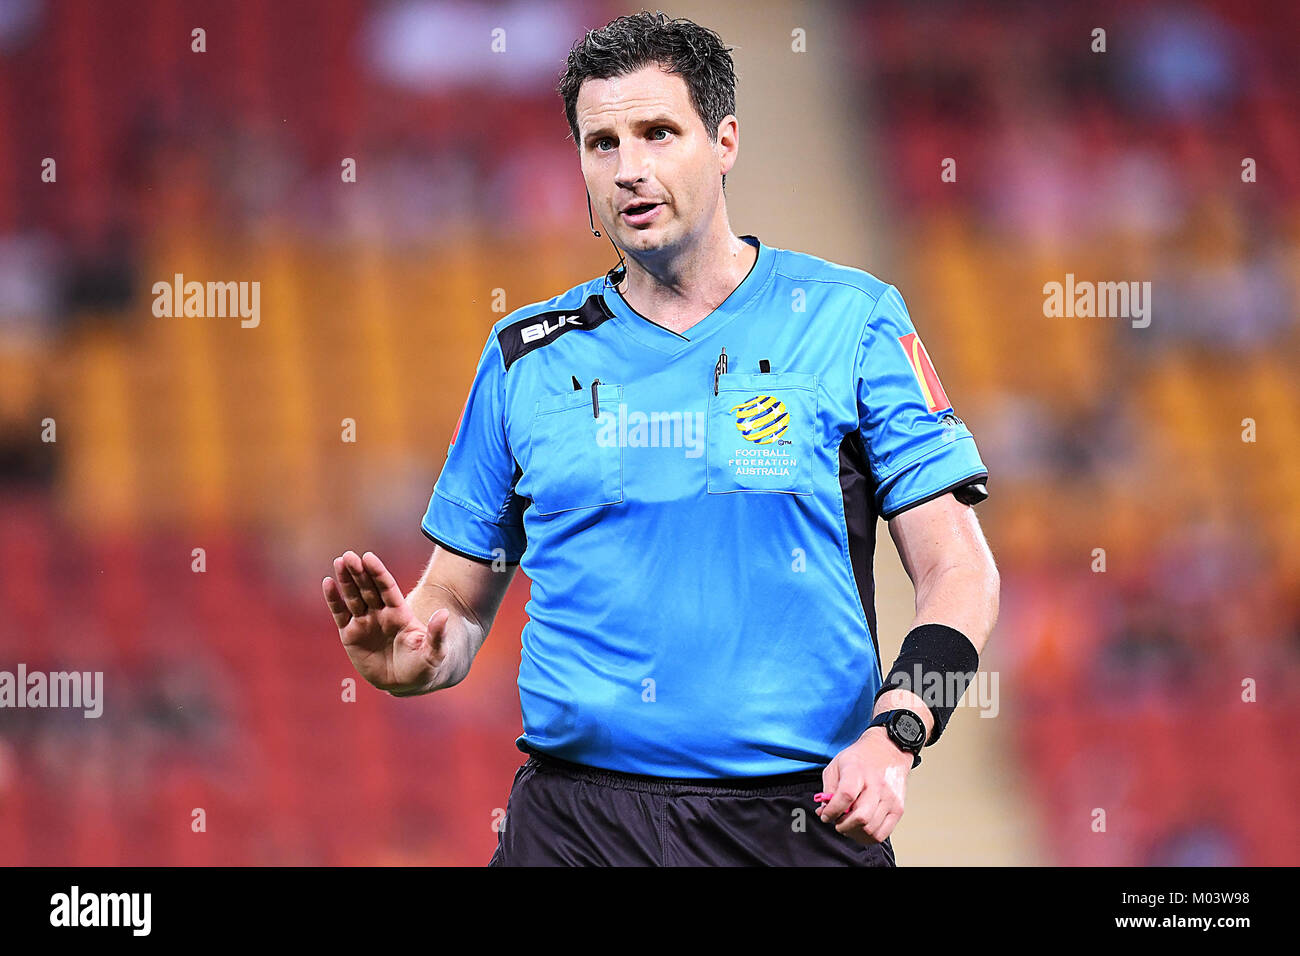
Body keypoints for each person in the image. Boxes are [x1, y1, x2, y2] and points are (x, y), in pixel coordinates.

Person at [323, 11, 999, 866]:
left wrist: (900, 730)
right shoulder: (524, 358)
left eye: (657, 133)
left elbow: (961, 571)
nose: (629, 170)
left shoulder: (851, 320)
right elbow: (454, 606)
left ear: (723, 142)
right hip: (574, 827)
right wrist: (417, 655)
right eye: (601, 144)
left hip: (796, 822)